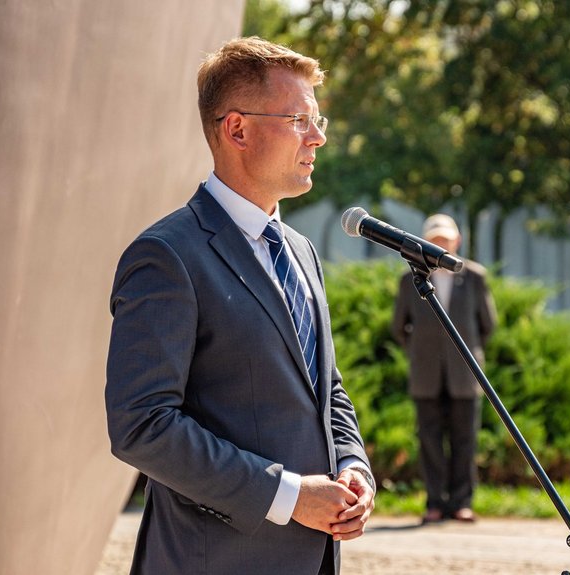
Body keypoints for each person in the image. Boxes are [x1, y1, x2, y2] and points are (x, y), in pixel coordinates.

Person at [105, 37, 374, 575]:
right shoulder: (167, 255)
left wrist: (353, 464)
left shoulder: (301, 251)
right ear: (237, 130)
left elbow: (327, 389)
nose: (317, 138)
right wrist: (290, 494)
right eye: (299, 119)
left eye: (319, 120)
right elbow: (142, 423)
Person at [391, 214, 497, 524]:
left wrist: (467, 353)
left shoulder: (475, 276)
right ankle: (434, 502)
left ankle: (462, 503)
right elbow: (399, 326)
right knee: (430, 441)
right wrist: (420, 351)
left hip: (465, 374)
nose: (440, 245)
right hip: (425, 374)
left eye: (446, 240)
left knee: (466, 440)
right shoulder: (409, 279)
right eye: (434, 239)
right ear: (424, 242)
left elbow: (487, 326)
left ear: (457, 242)